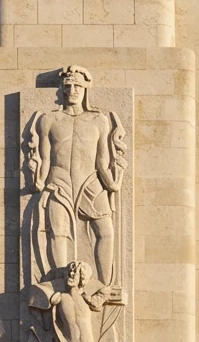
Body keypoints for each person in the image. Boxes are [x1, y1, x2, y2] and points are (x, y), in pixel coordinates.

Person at [27, 65, 127, 289]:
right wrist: (39, 180)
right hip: (59, 183)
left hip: (91, 183)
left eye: (77, 86)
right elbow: (45, 156)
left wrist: (112, 182)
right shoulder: (49, 120)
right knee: (58, 233)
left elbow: (102, 159)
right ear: (61, 89)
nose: (72, 90)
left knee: (106, 231)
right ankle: (62, 284)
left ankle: (103, 285)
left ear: (85, 90)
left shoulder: (98, 120)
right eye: (67, 86)